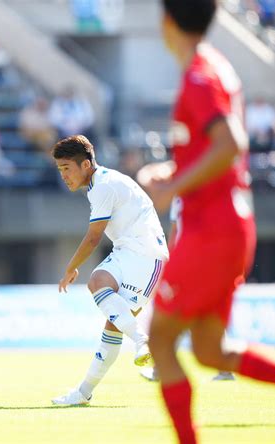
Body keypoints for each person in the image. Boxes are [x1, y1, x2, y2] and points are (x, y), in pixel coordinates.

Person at [139, 2, 275, 443]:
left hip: (210, 231)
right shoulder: (215, 67)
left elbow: (230, 144)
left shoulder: (198, 75)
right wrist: (174, 174)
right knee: (210, 350)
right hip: (227, 225)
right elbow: (216, 151)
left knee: (159, 339)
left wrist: (173, 189)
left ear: (167, 21)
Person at [50, 135, 169, 406]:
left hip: (147, 257)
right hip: (128, 251)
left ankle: (141, 340)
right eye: (60, 170)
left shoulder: (104, 186)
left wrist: (70, 268)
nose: (64, 176)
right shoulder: (99, 183)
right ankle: (83, 393)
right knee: (106, 304)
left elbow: (93, 237)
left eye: (67, 168)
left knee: (102, 295)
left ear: (86, 164)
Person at [139, 196, 235, 383]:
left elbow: (176, 232)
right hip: (205, 260)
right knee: (201, 314)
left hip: (190, 262)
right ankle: (225, 369)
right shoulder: (202, 194)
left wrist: (173, 262)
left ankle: (160, 368)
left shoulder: (181, 196)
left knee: (170, 314)